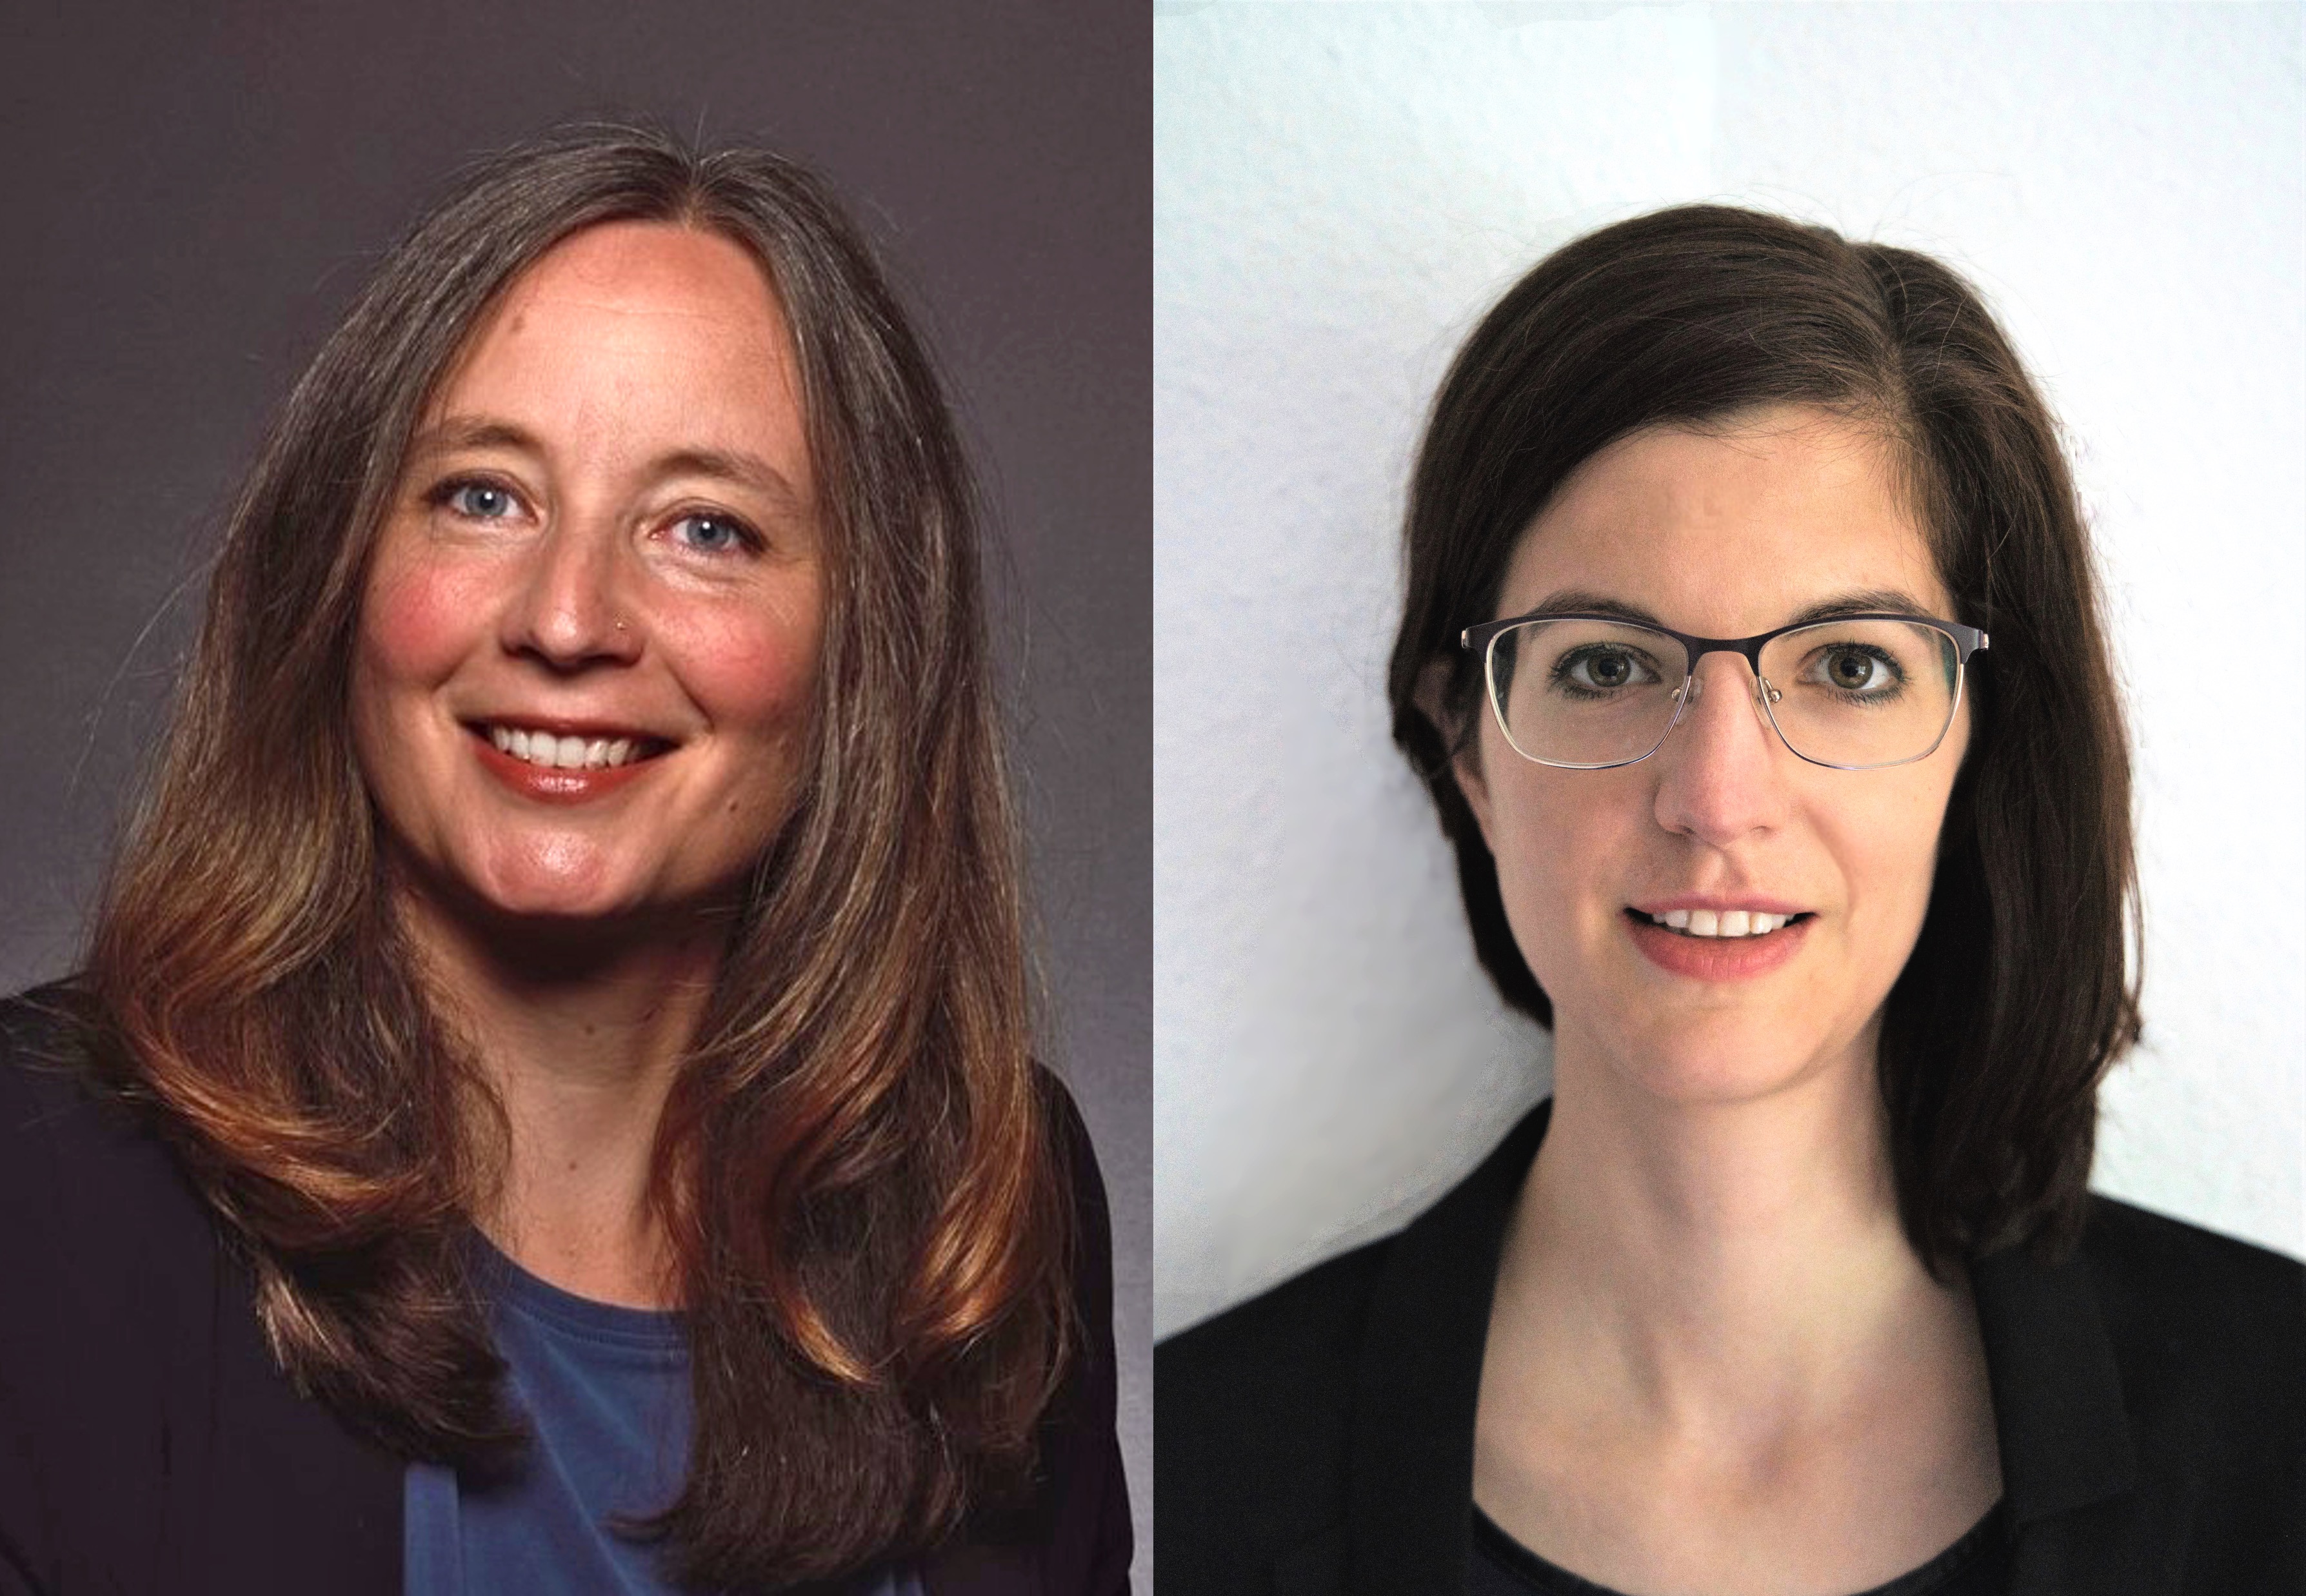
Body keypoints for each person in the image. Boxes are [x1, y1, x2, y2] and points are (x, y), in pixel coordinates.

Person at [0, 125, 1129, 1595]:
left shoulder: (991, 1202)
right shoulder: (43, 1180)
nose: (570, 615)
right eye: (484, 494)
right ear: (339, 568)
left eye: (706, 527)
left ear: (864, 651)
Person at [1157, 206, 2301, 1594]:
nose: (1716, 793)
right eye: (1604, 665)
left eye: (1851, 665)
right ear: (1463, 740)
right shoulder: (1194, 1467)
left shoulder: (2277, 1432)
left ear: (1980, 735)